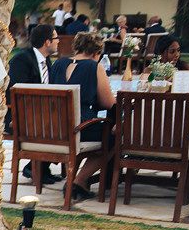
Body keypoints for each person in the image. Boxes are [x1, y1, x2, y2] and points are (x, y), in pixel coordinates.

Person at [50, 32, 116, 199]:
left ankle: (74, 179)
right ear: (97, 52)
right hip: (79, 128)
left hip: (55, 128)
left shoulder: (58, 64)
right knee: (114, 137)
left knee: (101, 133)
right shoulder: (94, 67)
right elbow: (108, 103)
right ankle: (78, 181)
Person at [6, 24, 61, 184]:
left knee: (63, 122)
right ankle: (35, 167)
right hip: (18, 114)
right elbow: (15, 93)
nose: (59, 42)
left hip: (39, 113)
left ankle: (42, 166)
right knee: (52, 125)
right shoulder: (22, 60)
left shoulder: (46, 61)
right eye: (56, 38)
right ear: (47, 42)